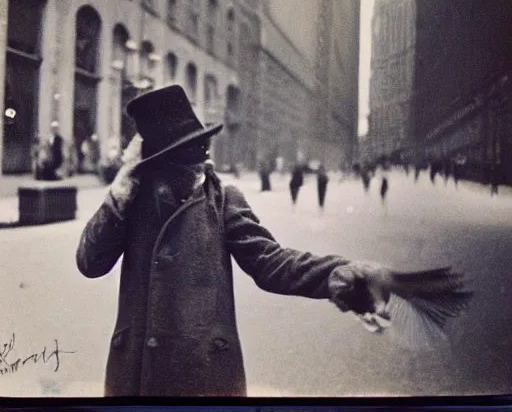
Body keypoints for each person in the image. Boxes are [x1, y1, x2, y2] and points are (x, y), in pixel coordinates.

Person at [76, 85, 474, 397]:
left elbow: (272, 263)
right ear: (159, 160)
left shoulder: (222, 201)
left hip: (203, 373)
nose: (198, 160)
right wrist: (119, 195)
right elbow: (89, 262)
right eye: (186, 152)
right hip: (135, 374)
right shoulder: (129, 206)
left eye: (200, 148)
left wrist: (340, 273)